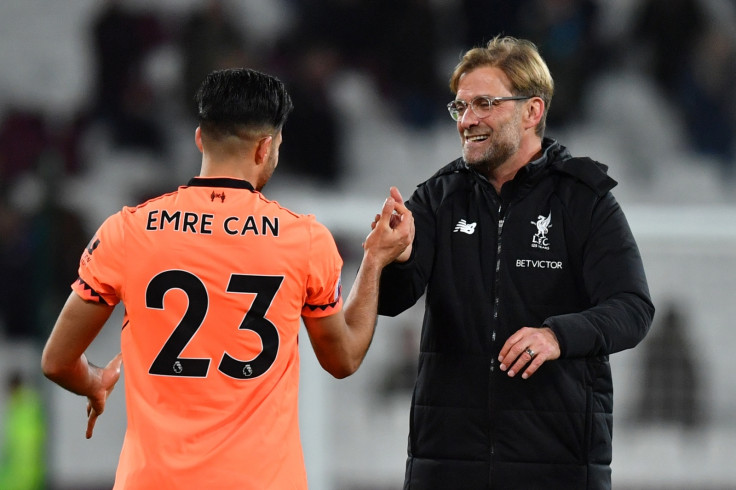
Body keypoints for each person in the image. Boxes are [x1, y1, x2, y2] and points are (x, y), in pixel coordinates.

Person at [41, 68, 413, 489]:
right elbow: (342, 359)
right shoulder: (304, 239)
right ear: (265, 148)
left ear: (200, 138)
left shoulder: (128, 230)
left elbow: (56, 361)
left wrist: (93, 382)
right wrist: (375, 258)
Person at [376, 36, 654, 489]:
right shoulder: (438, 197)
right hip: (446, 467)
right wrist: (396, 257)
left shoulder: (584, 199)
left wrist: (556, 335)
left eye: (484, 103)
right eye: (460, 107)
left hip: (556, 468)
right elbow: (390, 302)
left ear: (532, 112)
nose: (467, 120)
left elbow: (633, 308)